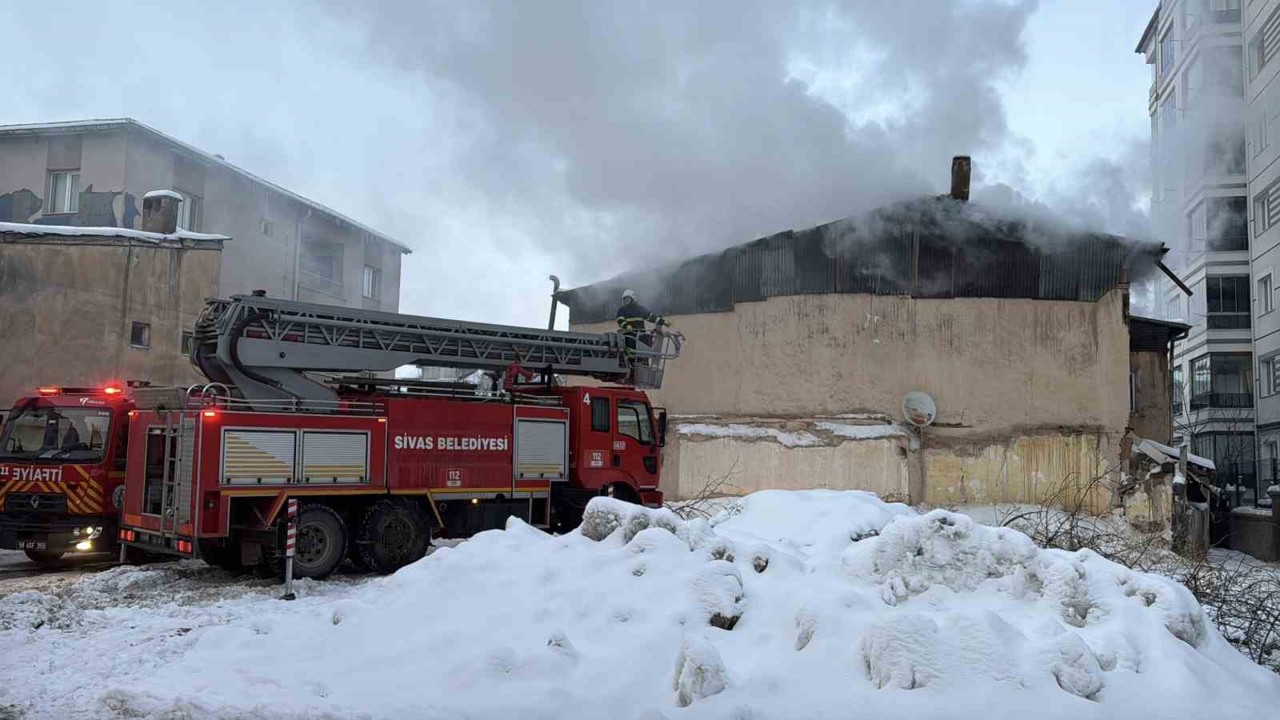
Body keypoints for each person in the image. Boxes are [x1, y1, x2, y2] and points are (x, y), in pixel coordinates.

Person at [616, 289, 668, 360]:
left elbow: (651, 317)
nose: (626, 301)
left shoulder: (640, 309)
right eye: (625, 299)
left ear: (632, 298)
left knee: (646, 346)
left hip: (640, 335)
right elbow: (620, 320)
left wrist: (663, 322)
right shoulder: (622, 310)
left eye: (627, 299)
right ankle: (631, 362)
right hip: (628, 335)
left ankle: (642, 361)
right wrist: (626, 326)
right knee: (630, 348)